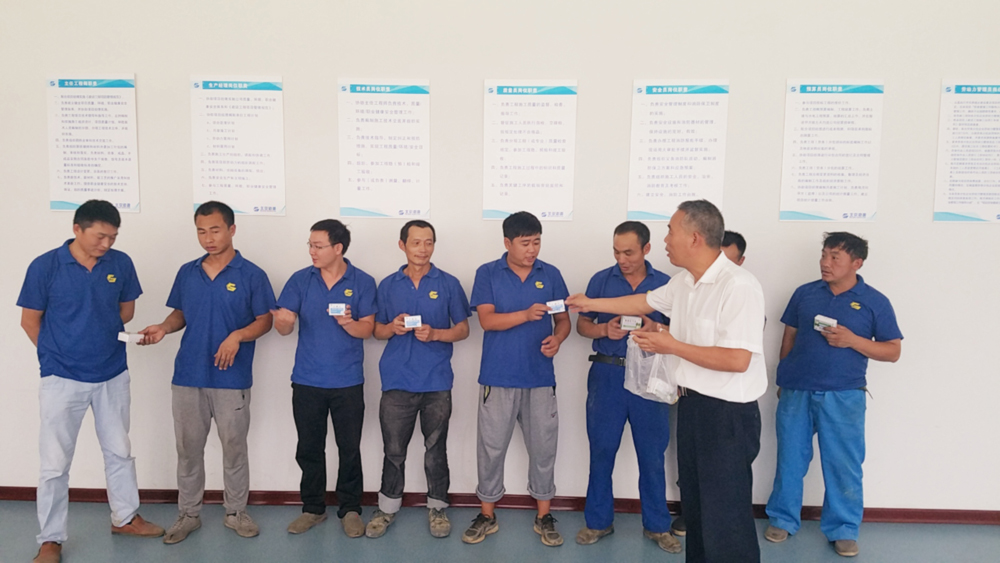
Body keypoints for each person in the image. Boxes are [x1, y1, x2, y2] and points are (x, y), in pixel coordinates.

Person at [567, 199, 767, 563]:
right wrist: (590, 303)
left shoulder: (738, 285)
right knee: (698, 508)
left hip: (727, 416)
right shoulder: (684, 283)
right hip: (691, 406)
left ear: (694, 237)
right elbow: (641, 302)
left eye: (671, 231)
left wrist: (671, 344)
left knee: (725, 515)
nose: (665, 240)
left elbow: (737, 360)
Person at [18, 200, 164, 563]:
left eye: (113, 237)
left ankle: (125, 518)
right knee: (54, 464)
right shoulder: (45, 266)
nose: (106, 244)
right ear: (77, 229)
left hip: (112, 372)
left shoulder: (120, 263)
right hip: (61, 378)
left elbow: (125, 310)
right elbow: (30, 320)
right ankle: (51, 539)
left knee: (119, 451)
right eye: (100, 236)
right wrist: (56, 356)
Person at [139, 201, 274, 544]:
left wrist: (238, 336)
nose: (208, 238)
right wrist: (163, 327)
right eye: (201, 231)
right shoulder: (188, 272)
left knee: (234, 448)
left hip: (231, 378)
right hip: (188, 375)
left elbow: (265, 320)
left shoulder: (252, 274)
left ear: (232, 229)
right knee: (188, 451)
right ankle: (188, 514)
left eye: (215, 230)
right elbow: (180, 313)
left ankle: (236, 511)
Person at [763, 232, 902, 558]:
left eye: (835, 257)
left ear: (857, 263)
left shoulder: (875, 301)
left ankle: (843, 529)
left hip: (844, 395)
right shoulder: (805, 293)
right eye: (824, 255)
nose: (825, 263)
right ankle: (782, 519)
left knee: (843, 465)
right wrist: (784, 377)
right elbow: (789, 335)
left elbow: (893, 351)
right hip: (797, 391)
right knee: (789, 460)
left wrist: (853, 340)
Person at [462, 211, 571, 547]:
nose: (532, 249)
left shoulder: (550, 274)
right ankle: (487, 515)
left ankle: (544, 516)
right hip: (498, 377)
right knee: (491, 449)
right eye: (525, 243)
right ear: (507, 242)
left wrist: (558, 339)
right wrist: (525, 315)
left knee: (543, 448)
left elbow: (563, 320)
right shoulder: (487, 273)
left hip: (540, 378)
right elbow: (487, 321)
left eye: (536, 242)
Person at [573, 221, 680, 553]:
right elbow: (582, 325)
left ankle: (657, 526)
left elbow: (682, 333)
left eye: (629, 252)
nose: (622, 259)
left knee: (652, 455)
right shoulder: (601, 280)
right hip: (608, 375)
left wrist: (654, 327)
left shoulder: (666, 285)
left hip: (650, 377)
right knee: (602, 451)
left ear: (646, 249)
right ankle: (598, 522)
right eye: (617, 252)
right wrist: (604, 330)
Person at [366, 220, 471, 539]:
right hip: (396, 380)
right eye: (416, 242)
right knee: (393, 450)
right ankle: (387, 508)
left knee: (436, 449)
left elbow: (463, 329)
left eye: (429, 242)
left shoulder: (449, 283)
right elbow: (376, 330)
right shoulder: (388, 285)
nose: (423, 249)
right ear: (402, 245)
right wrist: (392, 328)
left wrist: (437, 333)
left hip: (436, 381)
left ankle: (437, 507)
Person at [273, 219, 376, 538]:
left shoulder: (362, 281)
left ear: (338, 248)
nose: (312, 251)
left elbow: (368, 329)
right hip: (307, 380)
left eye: (318, 246)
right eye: (310, 245)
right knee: (309, 448)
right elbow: (283, 327)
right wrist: (284, 322)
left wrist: (348, 323)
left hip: (347, 381)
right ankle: (313, 508)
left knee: (349, 448)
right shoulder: (300, 279)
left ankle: (350, 509)